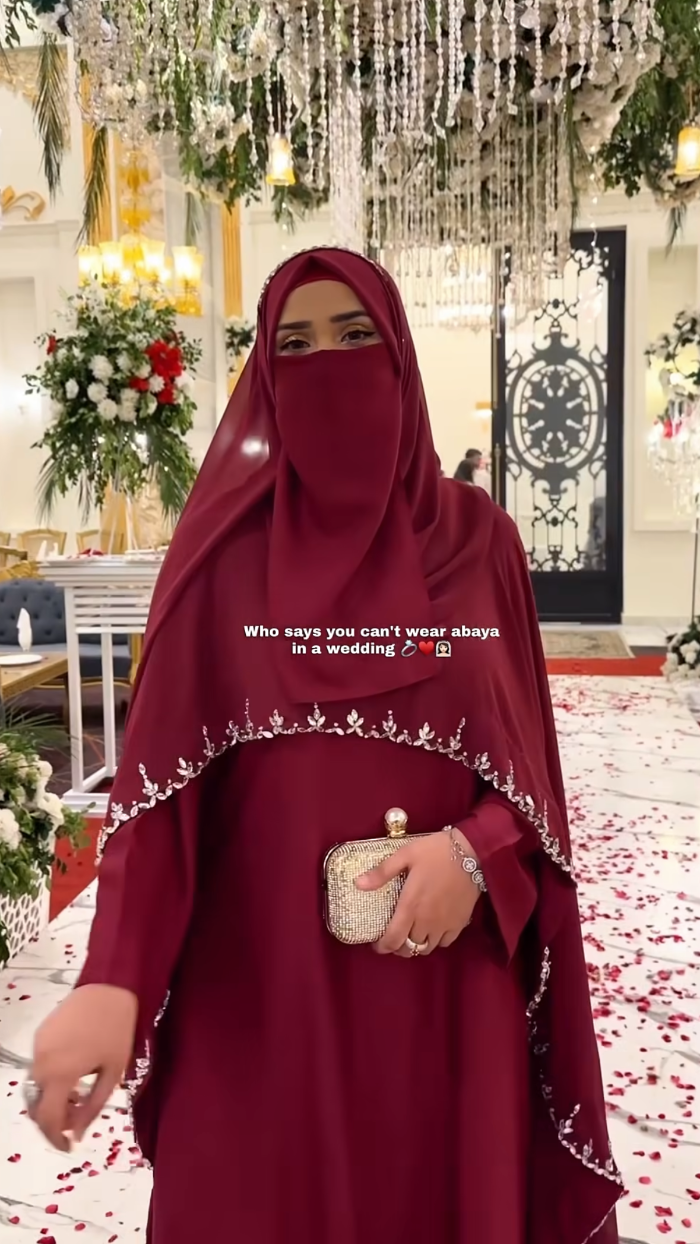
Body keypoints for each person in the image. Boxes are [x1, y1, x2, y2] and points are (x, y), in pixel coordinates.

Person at [27, 248, 621, 1244]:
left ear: (400, 358)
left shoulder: (477, 543)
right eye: (292, 344)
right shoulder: (220, 562)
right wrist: (114, 975)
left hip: (441, 1003)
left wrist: (474, 852)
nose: (327, 363)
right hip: (256, 999)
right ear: (261, 375)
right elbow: (161, 805)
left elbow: (525, 775)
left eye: (355, 335)